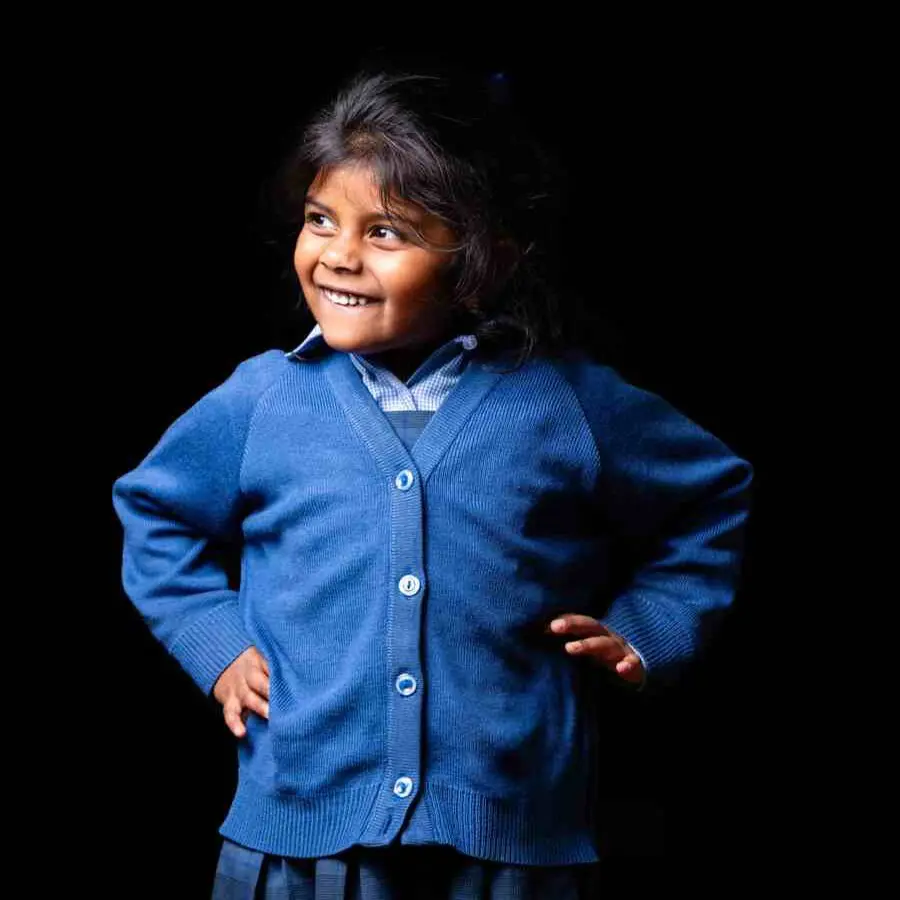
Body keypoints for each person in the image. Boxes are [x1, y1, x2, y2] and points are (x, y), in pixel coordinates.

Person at [112, 65, 754, 899]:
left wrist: (651, 625)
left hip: (514, 842)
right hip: (304, 839)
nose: (338, 256)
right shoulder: (264, 397)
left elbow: (710, 498)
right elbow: (154, 512)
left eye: (386, 232)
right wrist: (218, 644)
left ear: (486, 258)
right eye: (319, 220)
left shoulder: (564, 401)